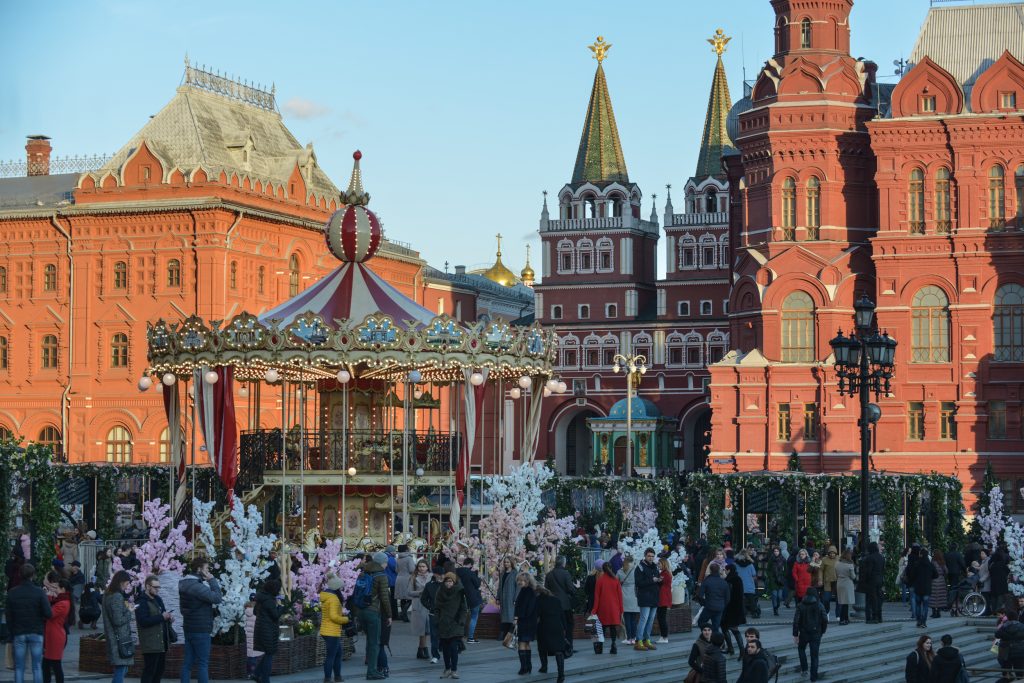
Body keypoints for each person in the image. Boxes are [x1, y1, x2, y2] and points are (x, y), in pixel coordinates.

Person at [178, 556, 223, 683]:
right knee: (203, 663)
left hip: (189, 628)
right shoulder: (196, 587)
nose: (208, 571)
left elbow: (185, 608)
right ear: (199, 569)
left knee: (187, 663)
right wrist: (212, 580)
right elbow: (217, 598)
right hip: (201, 629)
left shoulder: (184, 584)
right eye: (207, 569)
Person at [8, 563, 52, 683]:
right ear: (33, 575)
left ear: (20, 575)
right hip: (36, 631)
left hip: (19, 632)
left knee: (19, 667)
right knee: (37, 667)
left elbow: (9, 617)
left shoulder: (12, 592)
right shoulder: (39, 592)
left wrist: (11, 634)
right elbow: (48, 613)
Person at [359, 551, 392, 681]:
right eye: (385, 563)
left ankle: (373, 668)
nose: (386, 565)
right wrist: (389, 615)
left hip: (361, 611)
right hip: (373, 612)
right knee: (375, 643)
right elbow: (384, 598)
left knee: (370, 641)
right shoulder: (381, 576)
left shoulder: (363, 573)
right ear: (382, 563)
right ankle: (372, 671)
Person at [136, 575, 174, 683]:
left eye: (159, 587)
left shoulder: (158, 599)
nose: (158, 589)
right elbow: (143, 621)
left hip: (162, 642)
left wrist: (169, 618)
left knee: (159, 671)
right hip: (150, 643)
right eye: (155, 587)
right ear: (148, 586)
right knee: (150, 671)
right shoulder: (140, 601)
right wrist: (162, 617)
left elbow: (163, 614)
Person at [102, 570, 136, 683]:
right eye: (127, 583)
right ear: (121, 582)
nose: (127, 586)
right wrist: (129, 611)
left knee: (122, 669)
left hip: (115, 637)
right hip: (119, 638)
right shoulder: (116, 596)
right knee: (121, 669)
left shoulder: (108, 595)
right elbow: (118, 620)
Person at [435, 571, 467, 679]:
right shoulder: (440, 592)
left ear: (454, 582)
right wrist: (438, 619)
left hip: (455, 623)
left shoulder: (459, 591)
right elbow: (437, 608)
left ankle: (454, 670)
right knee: (445, 649)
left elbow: (463, 608)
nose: (448, 584)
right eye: (446, 581)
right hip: (443, 623)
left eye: (450, 581)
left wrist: (461, 620)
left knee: (453, 648)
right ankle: (447, 669)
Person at [792, 587, 828, 682]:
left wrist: (795, 634)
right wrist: (822, 631)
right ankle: (813, 677)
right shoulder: (819, 605)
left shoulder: (800, 605)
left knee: (801, 648)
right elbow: (825, 619)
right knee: (814, 655)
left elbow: (796, 621)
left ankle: (804, 669)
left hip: (804, 633)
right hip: (816, 633)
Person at [252, 578, 284, 683]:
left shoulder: (261, 597)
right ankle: (265, 679)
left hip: (261, 629)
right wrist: (280, 608)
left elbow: (255, 612)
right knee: (269, 654)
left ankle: (256, 674)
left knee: (267, 653)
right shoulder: (269, 600)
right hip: (268, 631)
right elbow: (275, 616)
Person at [544, 556, 576, 656]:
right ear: (563, 563)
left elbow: (546, 590)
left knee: (554, 627)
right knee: (568, 626)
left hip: (553, 605)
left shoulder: (549, 575)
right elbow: (571, 589)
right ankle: (568, 647)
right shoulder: (565, 573)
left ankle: (554, 648)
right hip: (565, 605)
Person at [319, 575, 349, 683]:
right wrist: (346, 619)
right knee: (331, 655)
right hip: (332, 631)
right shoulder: (333, 599)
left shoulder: (326, 596)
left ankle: (337, 676)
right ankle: (328, 678)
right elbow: (333, 616)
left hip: (326, 629)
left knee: (338, 653)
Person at [536, 586, 567, 683]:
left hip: (544, 627)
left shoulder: (538, 601)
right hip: (557, 626)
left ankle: (544, 667)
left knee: (542, 647)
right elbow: (562, 614)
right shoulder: (556, 600)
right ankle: (561, 675)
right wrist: (564, 628)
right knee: (558, 651)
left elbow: (536, 615)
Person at [42, 579, 72, 683]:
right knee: (48, 665)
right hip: (53, 635)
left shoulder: (63, 603)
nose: (56, 590)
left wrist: (46, 596)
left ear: (63, 589)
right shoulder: (61, 601)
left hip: (55, 636)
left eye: (57, 588)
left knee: (54, 665)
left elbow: (49, 613)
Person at [591, 562, 622, 654]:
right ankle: (613, 644)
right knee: (613, 627)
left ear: (602, 570)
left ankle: (600, 646)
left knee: (602, 628)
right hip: (614, 608)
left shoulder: (600, 580)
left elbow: (597, 597)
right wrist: (621, 609)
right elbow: (620, 596)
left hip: (603, 608)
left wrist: (594, 610)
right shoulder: (616, 580)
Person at [634, 547, 662, 651]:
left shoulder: (655, 567)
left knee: (650, 620)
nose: (650, 558)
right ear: (645, 556)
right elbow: (638, 583)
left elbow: (656, 581)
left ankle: (647, 640)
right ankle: (638, 641)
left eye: (652, 556)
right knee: (644, 619)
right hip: (645, 596)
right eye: (649, 556)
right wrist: (652, 580)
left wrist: (659, 580)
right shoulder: (640, 567)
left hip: (654, 596)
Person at [514, 572, 540, 674]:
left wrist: (517, 618)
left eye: (522, 580)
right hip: (531, 620)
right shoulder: (532, 590)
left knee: (521, 643)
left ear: (528, 581)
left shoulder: (526, 591)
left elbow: (524, 607)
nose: (520, 582)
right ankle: (528, 666)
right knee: (527, 643)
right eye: (519, 580)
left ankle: (523, 667)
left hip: (525, 620)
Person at [697, 563, 731, 636]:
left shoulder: (706, 581)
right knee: (716, 626)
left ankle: (707, 635)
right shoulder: (724, 582)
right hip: (720, 607)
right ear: (719, 570)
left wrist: (704, 603)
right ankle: (717, 641)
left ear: (710, 570)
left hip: (709, 606)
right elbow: (728, 598)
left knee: (701, 622)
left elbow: (700, 596)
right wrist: (723, 605)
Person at [907, 547, 937, 628]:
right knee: (925, 605)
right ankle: (923, 621)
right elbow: (936, 574)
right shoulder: (930, 565)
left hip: (918, 588)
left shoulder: (917, 564)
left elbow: (912, 575)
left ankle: (919, 621)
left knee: (918, 605)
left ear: (920, 555)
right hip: (927, 588)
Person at [407, 560, 431, 660]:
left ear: (427, 567)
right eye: (420, 566)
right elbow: (409, 592)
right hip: (418, 604)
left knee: (427, 629)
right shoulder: (413, 577)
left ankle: (422, 649)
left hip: (429, 604)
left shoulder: (431, 577)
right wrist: (420, 592)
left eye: (423, 566)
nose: (421, 568)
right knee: (422, 629)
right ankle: (423, 649)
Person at [722, 563, 746, 659]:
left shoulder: (729, 580)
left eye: (725, 570)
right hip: (737, 608)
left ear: (729, 570)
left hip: (730, 609)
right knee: (731, 629)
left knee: (728, 629)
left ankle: (738, 650)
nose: (724, 571)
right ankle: (738, 650)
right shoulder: (738, 579)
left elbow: (727, 595)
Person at [455, 558, 482, 643]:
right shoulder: (471, 573)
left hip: (459, 597)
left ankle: (458, 636)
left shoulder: (456, 571)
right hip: (473, 597)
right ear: (470, 564)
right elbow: (477, 585)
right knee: (474, 617)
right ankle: (470, 638)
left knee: (459, 616)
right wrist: (479, 578)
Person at [421, 567, 444, 664]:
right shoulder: (429, 585)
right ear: (435, 574)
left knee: (445, 635)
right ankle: (435, 655)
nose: (442, 576)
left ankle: (446, 652)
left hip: (446, 614)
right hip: (433, 613)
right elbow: (423, 599)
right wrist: (430, 607)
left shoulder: (447, 584)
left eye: (442, 574)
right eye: (439, 574)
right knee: (434, 635)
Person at [617, 555, 640, 645]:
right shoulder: (635, 570)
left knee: (627, 619)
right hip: (634, 595)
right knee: (634, 619)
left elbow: (616, 583)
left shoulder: (620, 571)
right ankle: (634, 638)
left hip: (624, 595)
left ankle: (628, 638)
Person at [995, 609, 1024, 678]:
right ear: (1017, 617)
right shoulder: (1022, 626)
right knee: (1020, 672)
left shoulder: (1004, 626)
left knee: (1006, 673)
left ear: (1008, 617)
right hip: (1019, 651)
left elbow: (997, 634)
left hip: (1005, 652)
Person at [861, 542, 885, 623]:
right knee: (879, 598)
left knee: (872, 599)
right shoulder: (881, 557)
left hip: (872, 581)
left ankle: (873, 617)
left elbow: (868, 571)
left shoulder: (870, 558)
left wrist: (865, 580)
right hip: (880, 579)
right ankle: (879, 616)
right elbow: (882, 569)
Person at [497, 558, 519, 640]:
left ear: (511, 563)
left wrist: (515, 599)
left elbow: (518, 587)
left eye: (508, 562)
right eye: (505, 562)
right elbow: (500, 587)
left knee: (511, 616)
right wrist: (498, 597)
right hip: (503, 597)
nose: (506, 564)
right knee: (503, 616)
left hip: (511, 597)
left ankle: (509, 635)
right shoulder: (502, 573)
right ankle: (503, 633)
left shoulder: (515, 573)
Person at [834, 549, 857, 626]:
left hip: (839, 583)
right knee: (845, 603)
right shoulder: (850, 565)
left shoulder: (837, 563)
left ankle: (844, 618)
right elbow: (853, 577)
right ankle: (843, 619)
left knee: (841, 601)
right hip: (847, 584)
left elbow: (836, 573)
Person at [734, 550, 759, 620]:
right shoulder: (750, 565)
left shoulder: (735, 564)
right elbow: (754, 576)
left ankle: (743, 613)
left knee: (741, 601)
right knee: (751, 600)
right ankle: (754, 613)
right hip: (749, 585)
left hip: (739, 585)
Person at [394, 545, 416, 623]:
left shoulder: (398, 558)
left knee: (403, 598)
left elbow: (396, 570)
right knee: (410, 597)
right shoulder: (409, 558)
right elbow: (411, 569)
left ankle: (404, 616)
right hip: (407, 578)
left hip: (399, 578)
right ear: (406, 550)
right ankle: (404, 613)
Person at [655, 556, 673, 644]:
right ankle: (663, 636)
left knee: (661, 618)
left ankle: (664, 636)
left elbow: (660, 582)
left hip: (663, 598)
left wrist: (656, 579)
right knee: (661, 617)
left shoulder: (664, 573)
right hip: (664, 597)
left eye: (659, 563)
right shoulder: (666, 573)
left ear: (663, 564)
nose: (658, 565)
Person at [244, 596, 262, 681]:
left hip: (248, 637)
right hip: (256, 636)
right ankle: (255, 673)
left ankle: (249, 673)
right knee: (256, 656)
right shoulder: (257, 611)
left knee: (250, 656)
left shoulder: (245, 611)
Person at [765, 547, 786, 617]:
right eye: (775, 551)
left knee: (779, 596)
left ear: (779, 552)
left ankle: (777, 606)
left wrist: (783, 576)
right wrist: (770, 577)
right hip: (773, 580)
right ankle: (775, 609)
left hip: (780, 580)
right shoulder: (771, 559)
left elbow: (786, 569)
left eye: (777, 551)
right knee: (774, 595)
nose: (776, 552)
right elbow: (768, 569)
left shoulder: (783, 559)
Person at [820, 546, 838, 619]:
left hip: (837, 581)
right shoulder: (824, 560)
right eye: (830, 553)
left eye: (833, 553)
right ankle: (827, 612)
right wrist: (820, 579)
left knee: (839, 599)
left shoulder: (839, 559)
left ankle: (838, 615)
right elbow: (820, 570)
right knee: (826, 599)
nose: (832, 554)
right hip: (827, 581)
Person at [930, 549, 949, 620]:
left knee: (933, 598)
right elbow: (946, 571)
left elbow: (930, 571)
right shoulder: (942, 562)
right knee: (940, 598)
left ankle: (934, 612)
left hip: (934, 581)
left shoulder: (932, 562)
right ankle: (938, 612)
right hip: (941, 581)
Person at [66, 561, 85, 628]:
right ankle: (75, 621)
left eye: (72, 566)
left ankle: (78, 621)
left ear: (76, 567)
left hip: (75, 595)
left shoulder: (80, 576)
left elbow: (80, 586)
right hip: (72, 594)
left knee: (75, 608)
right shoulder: (72, 574)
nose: (71, 567)